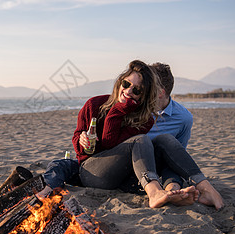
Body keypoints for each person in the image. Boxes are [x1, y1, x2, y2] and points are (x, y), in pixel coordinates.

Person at [41, 60, 224, 209]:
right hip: (91, 171)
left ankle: (205, 187)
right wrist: (82, 141)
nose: (128, 91)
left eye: (136, 90)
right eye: (126, 84)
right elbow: (95, 143)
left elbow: (112, 142)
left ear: (144, 96)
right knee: (141, 140)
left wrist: (120, 110)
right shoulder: (94, 104)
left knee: (165, 139)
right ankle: (155, 192)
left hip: (124, 178)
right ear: (120, 81)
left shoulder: (144, 119)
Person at [147, 62, 223, 209]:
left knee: (169, 146)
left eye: (146, 85)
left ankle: (173, 190)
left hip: (159, 165)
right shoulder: (133, 109)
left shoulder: (183, 117)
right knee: (158, 140)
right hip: (137, 165)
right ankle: (202, 188)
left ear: (160, 92)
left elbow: (178, 156)